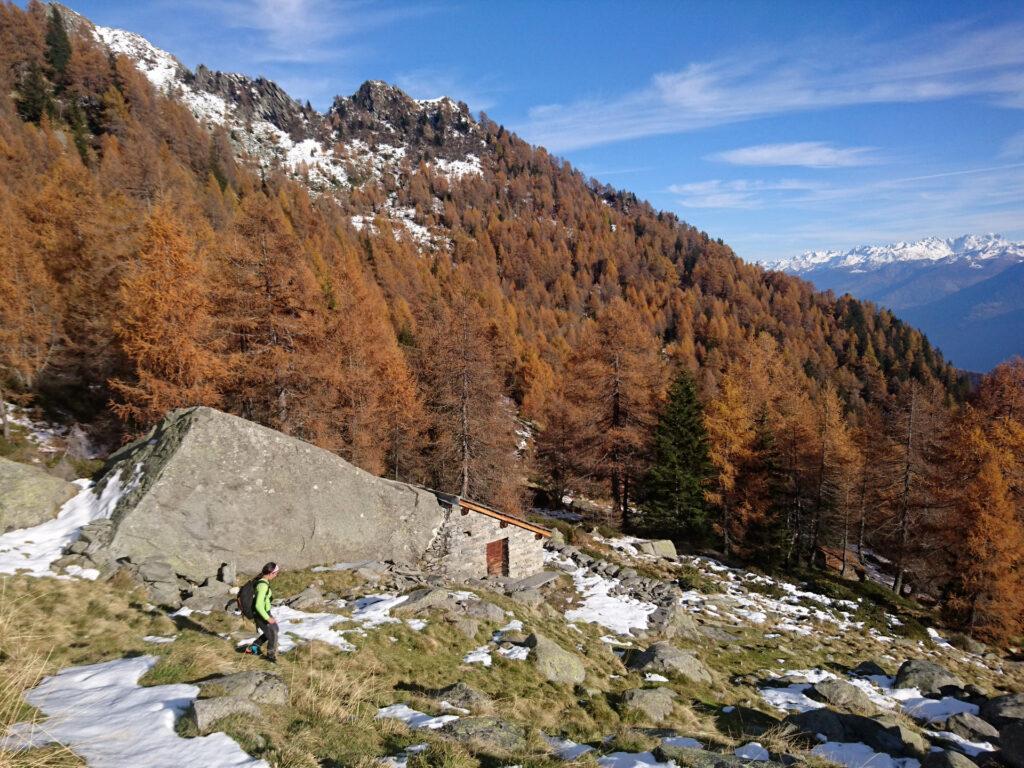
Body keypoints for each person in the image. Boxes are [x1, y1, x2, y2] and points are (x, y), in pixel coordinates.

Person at [244, 562, 280, 662]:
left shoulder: (264, 582)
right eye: (276, 573)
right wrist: (267, 618)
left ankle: (252, 648)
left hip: (265, 612)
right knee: (272, 634)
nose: (276, 575)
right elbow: (258, 605)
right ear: (271, 573)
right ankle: (270, 657)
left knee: (274, 630)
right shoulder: (262, 585)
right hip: (260, 614)